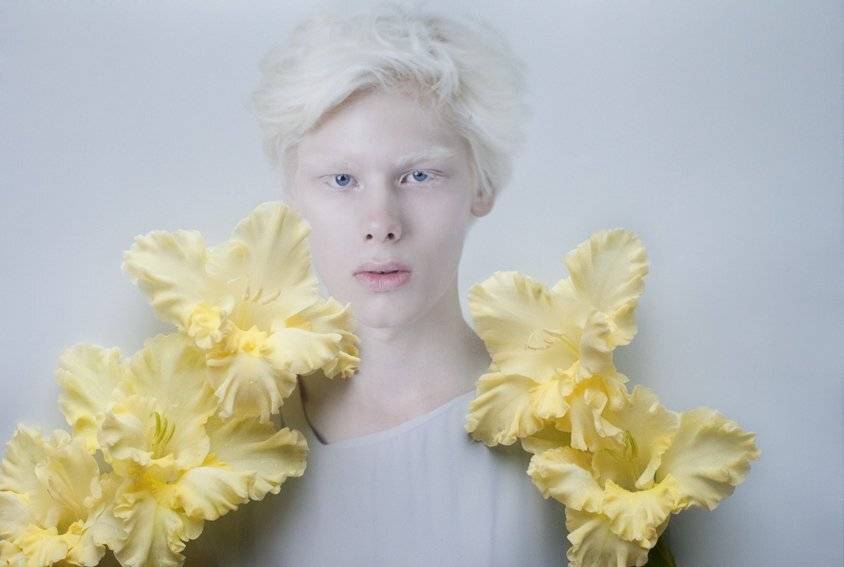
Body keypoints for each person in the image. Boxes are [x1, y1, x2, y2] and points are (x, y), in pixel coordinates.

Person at [187, 2, 567, 565]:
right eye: (342, 179)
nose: (381, 223)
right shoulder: (215, 441)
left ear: (481, 186)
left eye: (419, 175)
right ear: (293, 195)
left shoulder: (570, 436)